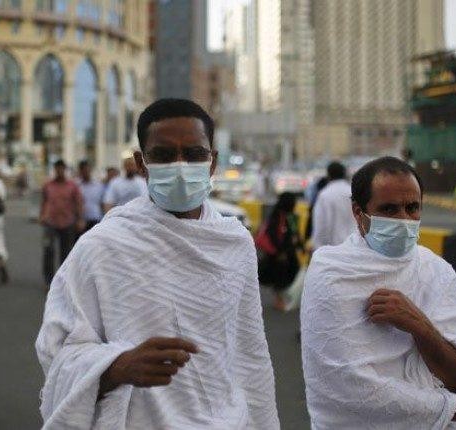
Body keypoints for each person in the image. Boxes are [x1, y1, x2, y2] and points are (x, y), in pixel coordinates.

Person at [35, 98, 280, 429]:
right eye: (164, 155)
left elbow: (250, 353)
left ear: (212, 162)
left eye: (193, 154)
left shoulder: (234, 242)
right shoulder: (102, 246)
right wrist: (117, 367)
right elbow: (57, 350)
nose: (180, 166)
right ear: (141, 163)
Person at [301, 156, 456, 429]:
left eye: (412, 208)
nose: (404, 219)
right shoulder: (331, 271)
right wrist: (454, 408)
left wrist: (418, 325)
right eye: (389, 209)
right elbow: (347, 388)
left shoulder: (434, 269)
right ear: (359, 213)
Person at [39, 159, 84, 287]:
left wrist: (80, 219)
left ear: (64, 169)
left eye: (61, 168)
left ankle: (63, 280)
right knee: (48, 251)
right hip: (50, 222)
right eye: (57, 168)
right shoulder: (48, 185)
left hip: (67, 222)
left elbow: (78, 203)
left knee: (66, 253)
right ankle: (48, 280)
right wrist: (41, 215)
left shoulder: (72, 186)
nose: (59, 171)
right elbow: (44, 201)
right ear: (55, 170)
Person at [256, 192, 302, 311]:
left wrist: (300, 246)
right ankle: (279, 300)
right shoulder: (278, 216)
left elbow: (294, 233)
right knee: (280, 275)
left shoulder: (291, 216)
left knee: (292, 271)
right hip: (279, 253)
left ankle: (284, 298)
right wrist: (279, 251)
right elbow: (273, 234)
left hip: (288, 251)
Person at [311, 161, 356, 249]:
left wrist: (318, 247)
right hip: (354, 246)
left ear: (328, 175)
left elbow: (321, 225)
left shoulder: (325, 195)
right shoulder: (352, 192)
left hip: (333, 248)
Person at [76, 160, 104, 233]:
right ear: (80, 171)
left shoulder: (98, 185)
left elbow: (102, 202)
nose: (86, 172)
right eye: (83, 170)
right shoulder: (76, 186)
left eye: (87, 169)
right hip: (82, 221)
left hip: (96, 218)